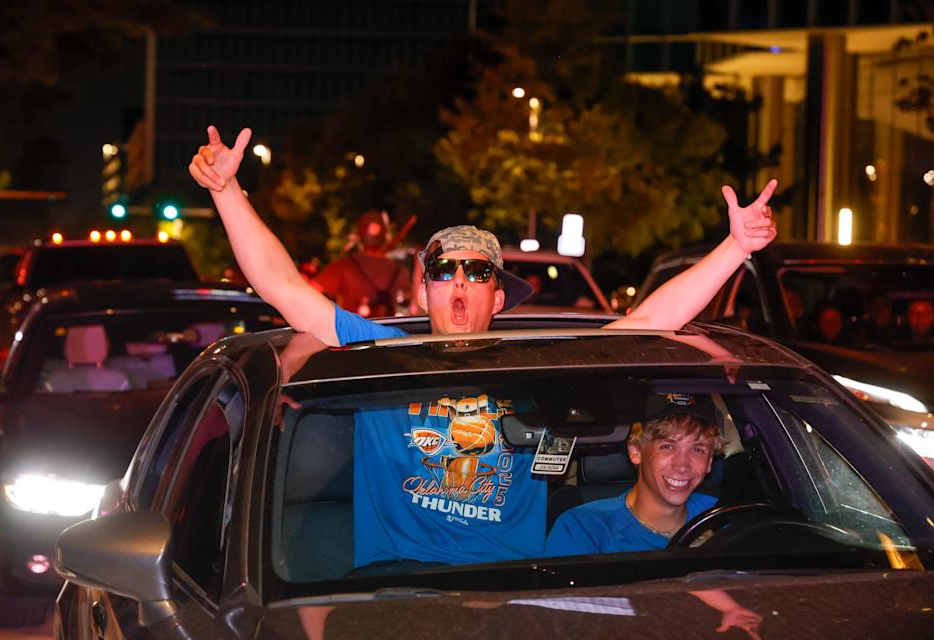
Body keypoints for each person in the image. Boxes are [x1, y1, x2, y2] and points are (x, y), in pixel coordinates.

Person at [188, 125, 777, 567]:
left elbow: (648, 323)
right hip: (395, 585)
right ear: (424, 292)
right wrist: (228, 191)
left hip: (510, 589)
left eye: (477, 272)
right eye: (444, 272)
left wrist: (735, 248)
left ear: (498, 298)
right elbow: (284, 287)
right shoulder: (380, 354)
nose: (459, 283)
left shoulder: (537, 368)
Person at [544, 394, 723, 555]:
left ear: (709, 462)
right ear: (635, 451)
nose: (682, 466)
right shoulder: (584, 529)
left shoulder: (722, 515)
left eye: (698, 449)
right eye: (667, 446)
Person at [312, 210, 410, 317]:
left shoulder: (343, 266)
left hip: (352, 327)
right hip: (387, 328)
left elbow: (312, 293)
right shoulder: (400, 271)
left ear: (358, 235)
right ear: (385, 236)